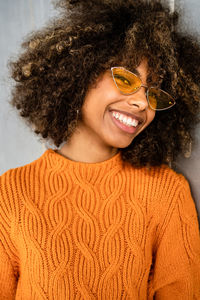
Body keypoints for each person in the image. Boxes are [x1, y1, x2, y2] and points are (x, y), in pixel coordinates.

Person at [0, 0, 200, 299]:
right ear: (78, 73)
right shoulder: (11, 193)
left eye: (152, 91)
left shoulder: (166, 193)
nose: (142, 102)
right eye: (124, 78)